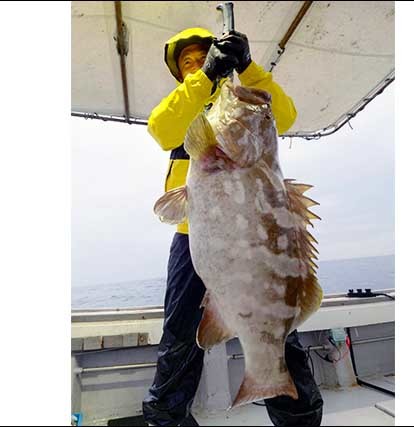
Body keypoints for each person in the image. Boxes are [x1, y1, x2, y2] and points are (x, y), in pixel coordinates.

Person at [142, 27, 323, 426]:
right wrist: (204, 77)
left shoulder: (241, 101)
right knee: (179, 339)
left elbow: (284, 115)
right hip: (196, 239)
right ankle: (167, 419)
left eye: (202, 56)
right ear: (182, 74)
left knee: (277, 327)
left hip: (257, 240)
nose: (195, 65)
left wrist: (247, 66)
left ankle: (298, 416)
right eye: (187, 62)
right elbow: (161, 129)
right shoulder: (183, 106)